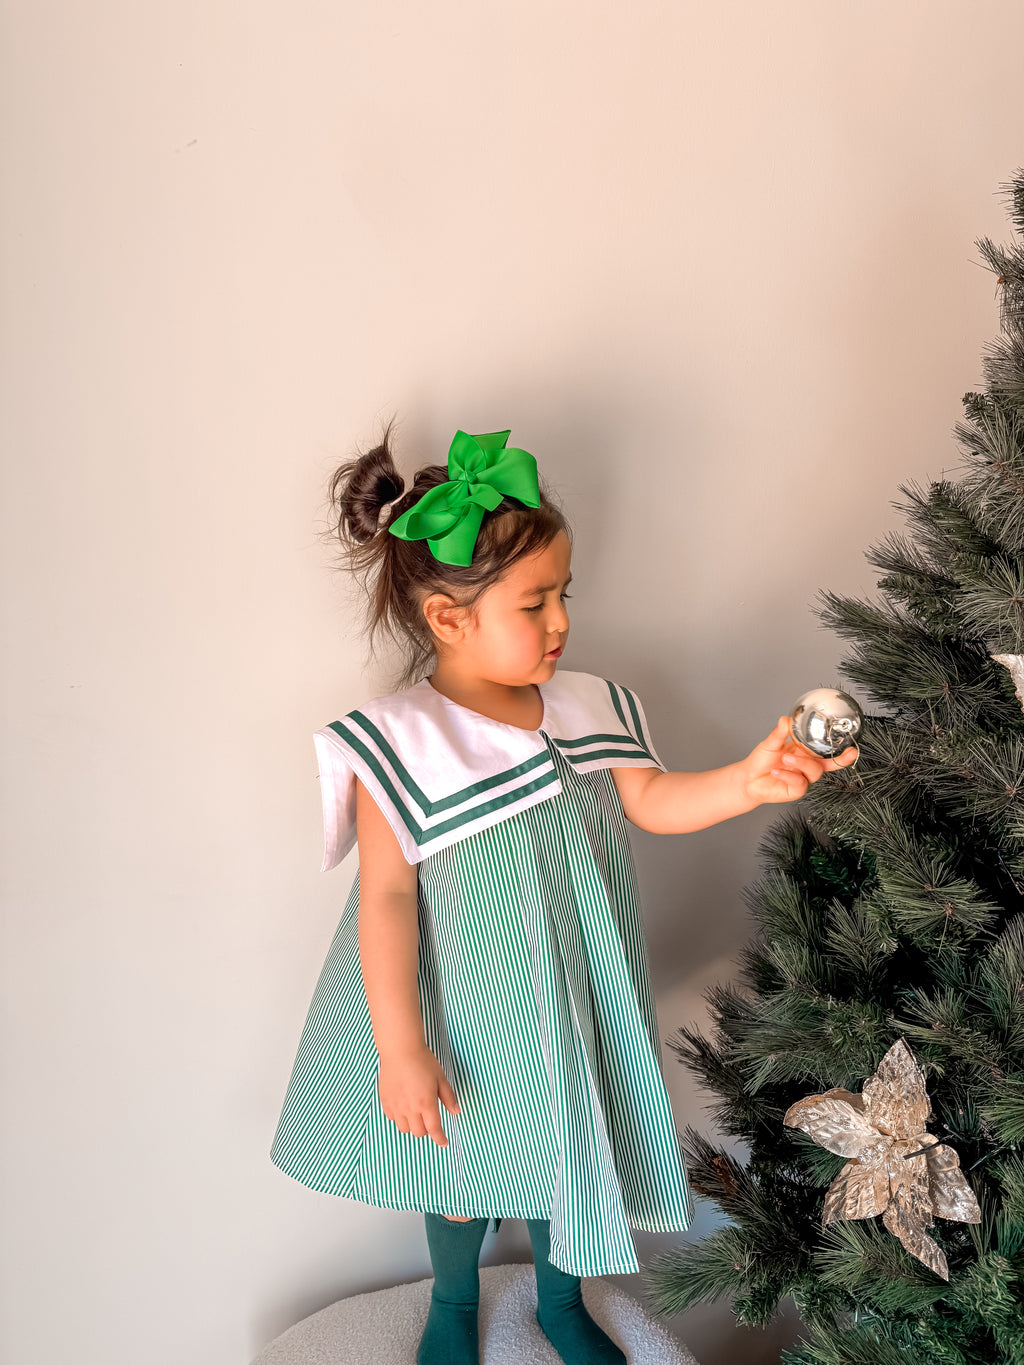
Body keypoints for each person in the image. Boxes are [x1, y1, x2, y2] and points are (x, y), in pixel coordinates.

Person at [270, 426, 857, 1365]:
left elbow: (652, 799)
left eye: (563, 595)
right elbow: (385, 900)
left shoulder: (589, 707)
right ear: (448, 617)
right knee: (459, 1165)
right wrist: (402, 1047)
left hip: (571, 991)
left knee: (564, 1152)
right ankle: (453, 1301)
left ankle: (559, 1300)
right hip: (465, 1008)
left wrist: (748, 780)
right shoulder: (401, 744)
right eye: (533, 602)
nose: (560, 623)